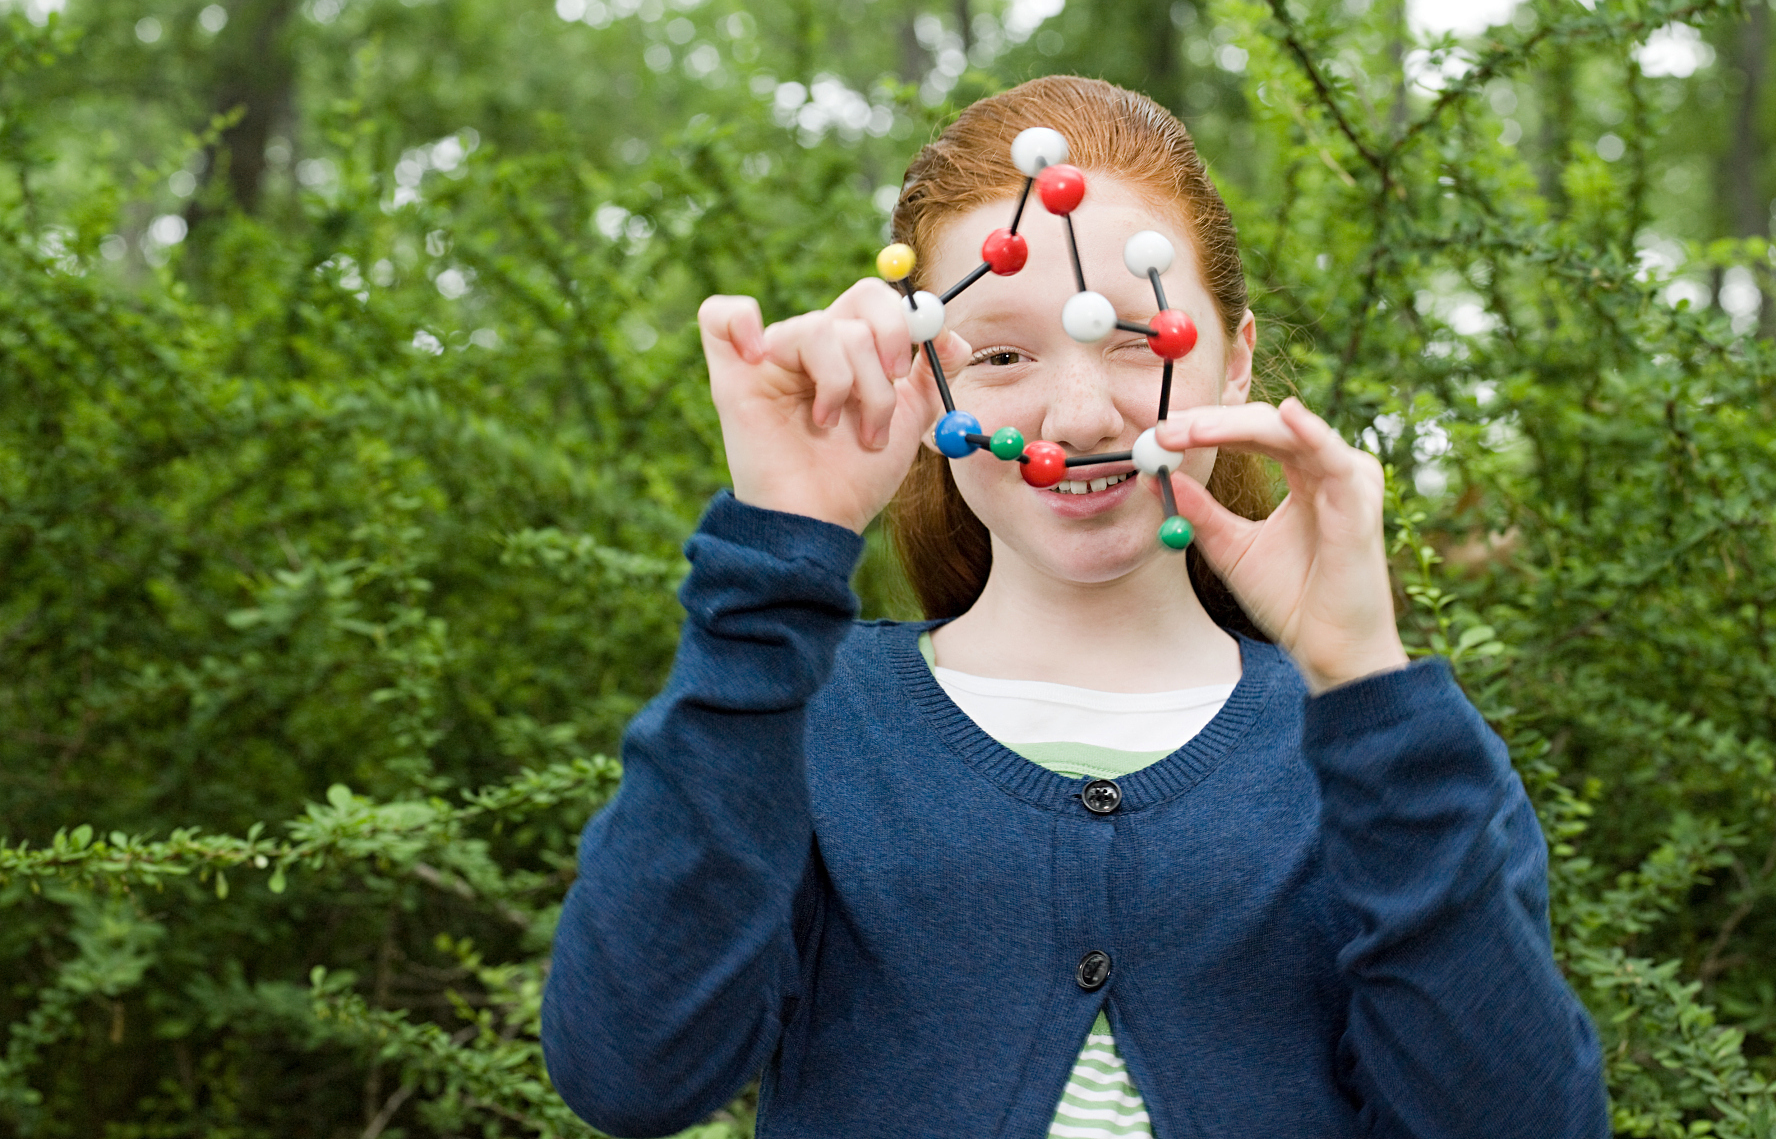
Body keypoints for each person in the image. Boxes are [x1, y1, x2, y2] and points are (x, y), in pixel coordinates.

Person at [539, 76, 1611, 1139]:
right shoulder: (811, 720)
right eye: (999, 355)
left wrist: (1363, 682)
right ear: (920, 385)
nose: (1076, 415)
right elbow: (630, 1070)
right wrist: (774, 555)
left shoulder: (1392, 755)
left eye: (1138, 340)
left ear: (1233, 362)